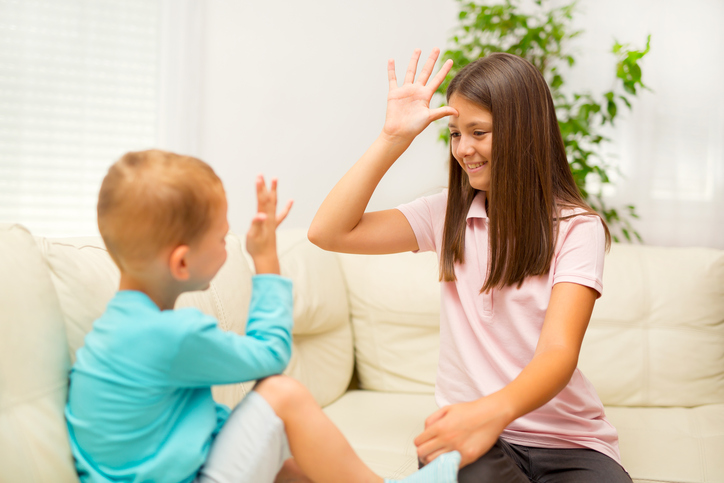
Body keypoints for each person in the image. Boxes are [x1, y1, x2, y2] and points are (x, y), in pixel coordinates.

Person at [308, 49, 633, 483]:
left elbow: (558, 352)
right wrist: (393, 138)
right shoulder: (447, 215)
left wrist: (489, 413)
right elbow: (328, 232)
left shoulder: (577, 228)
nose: (463, 149)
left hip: (566, 440)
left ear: (523, 133)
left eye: (478, 132)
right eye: (455, 133)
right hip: (469, 437)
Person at [64, 149, 461, 483]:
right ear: (182, 263)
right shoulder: (172, 334)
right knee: (280, 394)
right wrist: (266, 260)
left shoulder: (117, 326)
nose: (228, 247)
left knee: (288, 467)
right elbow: (270, 354)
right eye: (221, 239)